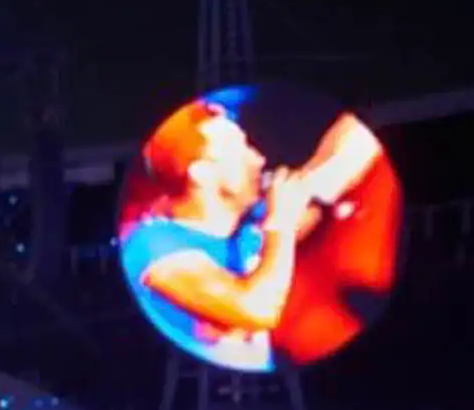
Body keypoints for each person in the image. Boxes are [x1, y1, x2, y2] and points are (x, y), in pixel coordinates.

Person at [122, 93, 385, 373]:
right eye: (241, 150)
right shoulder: (154, 246)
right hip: (206, 396)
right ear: (202, 175)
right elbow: (258, 309)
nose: (258, 159)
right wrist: (281, 224)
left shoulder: (251, 221)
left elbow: (336, 168)